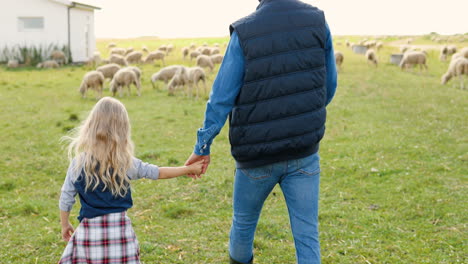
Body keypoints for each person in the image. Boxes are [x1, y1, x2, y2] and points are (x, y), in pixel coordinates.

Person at [185, 0, 337, 263]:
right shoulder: (317, 21)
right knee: (307, 234)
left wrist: (202, 147)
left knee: (243, 226)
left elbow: (221, 98)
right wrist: (302, 116)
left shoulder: (245, 31)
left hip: (256, 156)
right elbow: (329, 85)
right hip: (304, 152)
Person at [58, 97, 204, 264]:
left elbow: (66, 197)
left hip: (89, 235)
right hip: (121, 235)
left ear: (90, 127)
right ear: (122, 131)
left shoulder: (78, 163)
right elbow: (157, 172)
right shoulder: (125, 163)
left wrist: (65, 224)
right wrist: (188, 169)